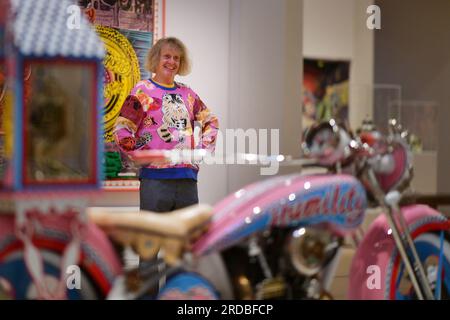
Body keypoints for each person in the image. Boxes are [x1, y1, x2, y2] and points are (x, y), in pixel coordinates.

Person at [113, 37, 219, 212]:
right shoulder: (142, 91)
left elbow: (211, 121)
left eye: (176, 58)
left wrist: (202, 150)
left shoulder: (187, 93)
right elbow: (121, 130)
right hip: (155, 181)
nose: (172, 62)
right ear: (156, 58)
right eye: (167, 56)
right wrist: (142, 155)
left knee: (186, 236)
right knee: (154, 236)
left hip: (187, 180)